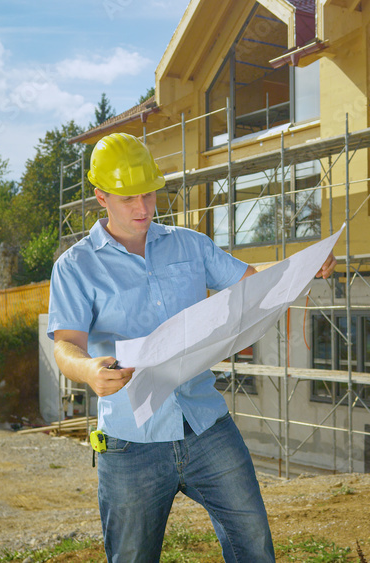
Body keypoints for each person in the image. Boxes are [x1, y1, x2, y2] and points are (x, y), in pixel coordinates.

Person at [47, 132, 335, 562]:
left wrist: (305, 264)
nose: (143, 207)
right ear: (100, 196)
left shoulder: (189, 243)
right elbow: (66, 344)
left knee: (253, 541)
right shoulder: (75, 266)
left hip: (206, 424)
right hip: (131, 443)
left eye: (149, 193)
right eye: (128, 199)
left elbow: (251, 282)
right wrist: (89, 371)